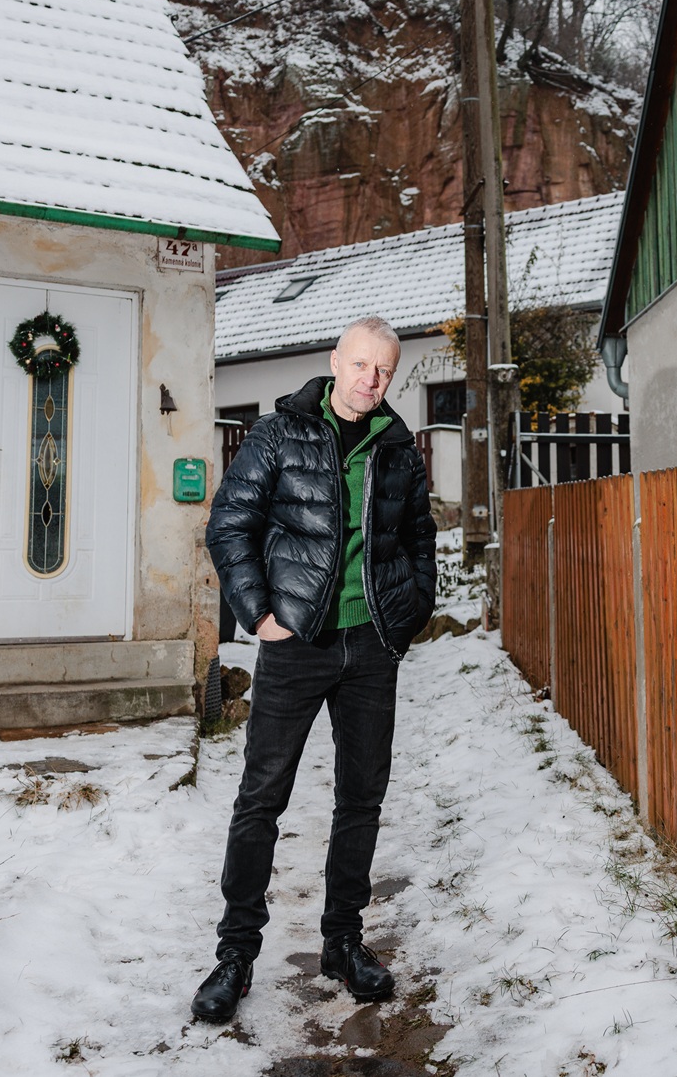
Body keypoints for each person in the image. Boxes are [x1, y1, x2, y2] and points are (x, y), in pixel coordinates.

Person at [192, 315, 438, 1024]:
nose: (371, 379)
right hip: (296, 643)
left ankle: (343, 942)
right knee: (261, 797)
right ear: (335, 361)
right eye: (361, 364)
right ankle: (235, 955)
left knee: (361, 798)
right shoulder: (278, 434)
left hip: (371, 647)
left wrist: (410, 609)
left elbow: (419, 536)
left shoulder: (398, 447)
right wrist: (258, 613)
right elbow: (229, 523)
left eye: (384, 369)